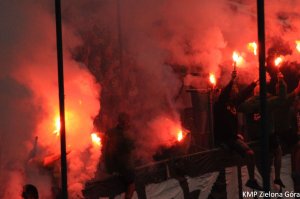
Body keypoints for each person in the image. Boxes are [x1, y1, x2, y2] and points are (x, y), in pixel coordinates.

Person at [240, 72, 300, 188]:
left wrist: (251, 85)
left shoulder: (248, 104)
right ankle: (277, 177)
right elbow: (283, 99)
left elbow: (239, 104)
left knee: (252, 157)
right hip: (268, 135)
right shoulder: (268, 102)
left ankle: (252, 179)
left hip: (254, 137)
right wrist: (281, 82)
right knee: (278, 151)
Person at [214, 70, 261, 190]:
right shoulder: (220, 104)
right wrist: (231, 81)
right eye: (233, 88)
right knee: (250, 153)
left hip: (233, 137)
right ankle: (251, 180)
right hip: (226, 139)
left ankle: (251, 180)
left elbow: (243, 94)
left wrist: (254, 83)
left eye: (235, 87)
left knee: (250, 153)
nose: (236, 89)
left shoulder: (233, 103)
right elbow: (224, 94)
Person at [102, 112, 135, 199]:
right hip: (123, 166)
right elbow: (130, 147)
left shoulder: (110, 132)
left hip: (112, 165)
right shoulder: (124, 134)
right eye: (127, 121)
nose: (128, 123)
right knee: (131, 184)